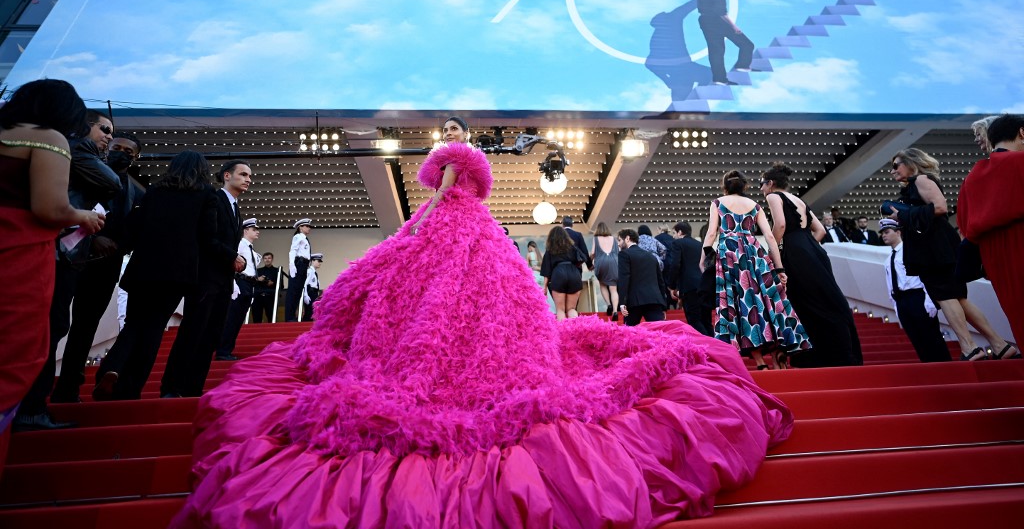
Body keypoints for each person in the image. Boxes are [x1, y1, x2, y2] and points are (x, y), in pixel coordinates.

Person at [168, 115, 792, 529]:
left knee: (437, 304)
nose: (447, 136)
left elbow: (437, 198)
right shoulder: (474, 170)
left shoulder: (448, 163)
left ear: (453, 142)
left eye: (450, 132)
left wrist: (412, 228)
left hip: (452, 229)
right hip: (478, 234)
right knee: (475, 307)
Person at [0, 80, 104, 466]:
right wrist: (85, 216)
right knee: (14, 352)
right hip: (17, 254)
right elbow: (50, 208)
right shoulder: (47, 138)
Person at [14, 109, 120, 431]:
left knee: (53, 327)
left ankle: (31, 407)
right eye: (105, 129)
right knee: (49, 328)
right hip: (56, 253)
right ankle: (30, 409)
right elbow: (111, 182)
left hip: (66, 254)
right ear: (84, 126)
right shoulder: (74, 148)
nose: (109, 137)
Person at [93, 150, 221, 401]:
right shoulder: (206, 195)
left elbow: (133, 227)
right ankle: (130, 388)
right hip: (177, 275)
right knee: (153, 330)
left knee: (133, 325)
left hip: (143, 270)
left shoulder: (154, 191)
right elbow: (207, 238)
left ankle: (110, 369)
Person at [886, 148, 1014, 361]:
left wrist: (905, 214)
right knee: (959, 298)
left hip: (934, 248)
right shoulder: (914, 186)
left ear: (911, 163)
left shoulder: (922, 180)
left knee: (944, 296)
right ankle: (999, 345)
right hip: (934, 247)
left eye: (896, 165)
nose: (892, 171)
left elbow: (941, 207)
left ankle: (969, 347)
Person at [51, 132, 145, 403]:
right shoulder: (84, 172)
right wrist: (93, 238)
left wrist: (120, 245)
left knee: (86, 325)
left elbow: (132, 227)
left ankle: (68, 387)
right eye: (118, 148)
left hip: (107, 266)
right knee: (56, 323)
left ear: (135, 158)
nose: (123, 154)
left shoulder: (136, 190)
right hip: (71, 256)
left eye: (130, 152)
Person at [702, 170, 809, 370]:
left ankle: (759, 360)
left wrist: (703, 260)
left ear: (724, 186)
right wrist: (779, 268)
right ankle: (779, 349)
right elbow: (769, 236)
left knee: (737, 305)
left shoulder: (717, 203)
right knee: (765, 302)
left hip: (730, 255)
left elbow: (710, 233)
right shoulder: (755, 205)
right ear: (745, 187)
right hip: (754, 254)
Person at [160, 159, 250, 397]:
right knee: (192, 333)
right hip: (205, 280)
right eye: (243, 174)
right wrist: (233, 256)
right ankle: (172, 387)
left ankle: (193, 389)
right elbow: (206, 238)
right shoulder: (214, 198)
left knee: (210, 337)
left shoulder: (235, 207)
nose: (248, 179)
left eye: (250, 176)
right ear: (226, 176)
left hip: (223, 282)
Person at [761, 163, 862, 367]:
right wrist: (806, 247)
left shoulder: (773, 197)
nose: (761, 189)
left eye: (762, 184)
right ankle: (841, 353)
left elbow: (779, 224)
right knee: (826, 299)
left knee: (803, 302)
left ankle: (814, 355)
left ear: (770, 183)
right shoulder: (798, 199)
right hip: (813, 250)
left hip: (794, 251)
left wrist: (776, 247)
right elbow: (821, 231)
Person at [957, 114, 1024, 357]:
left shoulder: (971, 178)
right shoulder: (1021, 164)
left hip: (997, 258)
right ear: (1022, 133)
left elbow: (965, 225)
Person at [879, 218, 951, 363]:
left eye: (887, 232)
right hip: (902, 300)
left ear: (898, 232)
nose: (884, 236)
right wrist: (896, 306)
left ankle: (945, 367)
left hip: (917, 297)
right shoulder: (888, 260)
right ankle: (929, 369)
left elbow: (924, 277)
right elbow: (890, 285)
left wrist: (929, 300)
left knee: (931, 335)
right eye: (882, 233)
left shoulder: (911, 251)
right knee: (916, 338)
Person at [216, 217, 262, 361]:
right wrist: (234, 283)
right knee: (232, 318)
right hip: (241, 282)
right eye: (254, 229)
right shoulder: (240, 244)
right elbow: (231, 261)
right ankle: (222, 351)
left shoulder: (250, 248)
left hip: (249, 284)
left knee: (238, 320)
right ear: (246, 230)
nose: (257, 232)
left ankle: (227, 349)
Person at [697, 0, 754, 85]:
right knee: (747, 45)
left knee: (716, 52)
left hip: (705, 22)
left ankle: (719, 79)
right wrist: (734, 27)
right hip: (719, 22)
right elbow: (722, 15)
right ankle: (742, 65)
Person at [667, 222, 712, 336]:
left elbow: (675, 265)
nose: (673, 236)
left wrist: (672, 286)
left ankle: (707, 347)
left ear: (680, 232)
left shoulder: (678, 243)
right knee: (706, 321)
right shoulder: (700, 244)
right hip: (704, 285)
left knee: (694, 320)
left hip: (689, 287)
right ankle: (716, 346)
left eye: (674, 233)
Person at [617, 229, 668, 325]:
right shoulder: (651, 256)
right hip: (654, 300)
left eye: (619, 240)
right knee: (659, 334)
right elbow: (660, 282)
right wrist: (664, 306)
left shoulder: (624, 254)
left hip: (634, 302)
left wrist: (622, 302)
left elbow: (624, 278)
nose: (618, 244)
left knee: (629, 335)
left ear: (627, 238)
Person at [540, 225, 586, 320]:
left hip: (558, 274)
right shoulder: (572, 247)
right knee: (571, 309)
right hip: (574, 274)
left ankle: (563, 333)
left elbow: (547, 270)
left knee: (560, 309)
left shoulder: (550, 250)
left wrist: (544, 287)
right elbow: (583, 258)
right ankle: (575, 332)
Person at [285, 217, 313, 321]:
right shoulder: (298, 236)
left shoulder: (304, 238)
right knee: (293, 291)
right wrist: (292, 264)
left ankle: (291, 316)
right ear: (300, 227)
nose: (309, 228)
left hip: (304, 265)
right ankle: (289, 317)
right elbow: (293, 250)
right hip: (299, 264)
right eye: (307, 226)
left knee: (298, 291)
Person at [591, 222, 620, 319]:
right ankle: (615, 311)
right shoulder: (614, 239)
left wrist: (590, 261)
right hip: (614, 262)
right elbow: (618, 251)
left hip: (601, 261)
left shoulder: (596, 238)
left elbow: (593, 252)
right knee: (613, 289)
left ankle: (609, 304)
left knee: (602, 284)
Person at [251, 252, 280, 323]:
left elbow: (281, 285)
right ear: (263, 260)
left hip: (270, 296)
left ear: (272, 259)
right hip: (258, 296)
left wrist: (273, 283)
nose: (267, 260)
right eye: (265, 258)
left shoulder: (277, 271)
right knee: (256, 317)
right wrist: (258, 279)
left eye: (269, 258)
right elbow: (252, 283)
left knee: (271, 317)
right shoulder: (258, 271)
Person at [301, 253, 324, 320]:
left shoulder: (314, 272)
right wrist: (305, 295)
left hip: (313, 293)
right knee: (309, 312)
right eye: (318, 261)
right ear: (312, 261)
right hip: (310, 293)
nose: (319, 263)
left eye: (320, 261)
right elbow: (304, 284)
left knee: (312, 313)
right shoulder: (310, 271)